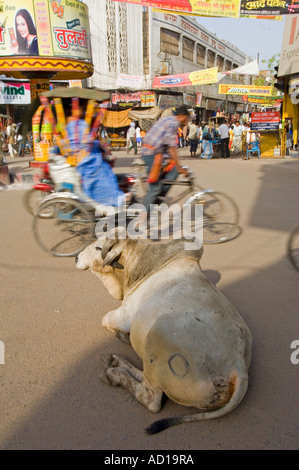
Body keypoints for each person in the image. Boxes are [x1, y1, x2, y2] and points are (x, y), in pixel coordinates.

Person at [139, 105, 190, 221]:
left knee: (174, 171)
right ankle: (141, 219)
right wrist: (179, 166)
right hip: (150, 153)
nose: (186, 122)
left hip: (158, 153)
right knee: (155, 187)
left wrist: (178, 167)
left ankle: (156, 199)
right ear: (182, 117)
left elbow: (168, 147)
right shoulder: (173, 123)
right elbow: (172, 147)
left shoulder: (168, 120)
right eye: (186, 119)